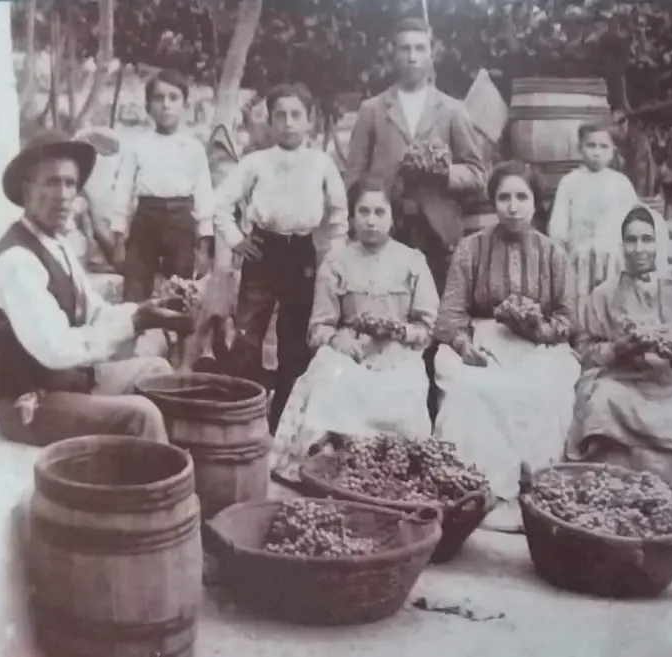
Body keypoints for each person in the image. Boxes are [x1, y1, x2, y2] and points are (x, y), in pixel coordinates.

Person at [0, 129, 184, 446]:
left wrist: (145, 309)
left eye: (70, 183)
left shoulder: (57, 245)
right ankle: (157, 493)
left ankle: (165, 469)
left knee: (157, 372)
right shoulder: (17, 260)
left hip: (65, 383)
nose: (63, 194)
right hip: (29, 401)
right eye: (51, 182)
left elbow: (96, 313)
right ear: (27, 190)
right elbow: (57, 349)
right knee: (141, 414)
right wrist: (136, 323)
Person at [565, 206, 672, 562]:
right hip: (622, 379)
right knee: (601, 402)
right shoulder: (602, 295)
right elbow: (584, 350)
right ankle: (615, 523)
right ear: (621, 246)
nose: (638, 248)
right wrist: (618, 348)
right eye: (631, 240)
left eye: (646, 239)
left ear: (657, 245)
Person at [432, 161, 581, 528]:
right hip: (484, 342)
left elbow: (567, 317)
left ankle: (532, 493)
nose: (512, 206)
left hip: (538, 347)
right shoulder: (472, 248)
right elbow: (450, 314)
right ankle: (478, 490)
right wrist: (466, 347)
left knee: (542, 391)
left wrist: (539, 329)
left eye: (521, 197)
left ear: (535, 203)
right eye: (504, 198)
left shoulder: (553, 254)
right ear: (493, 202)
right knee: (472, 390)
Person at [270, 177, 440, 482]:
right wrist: (337, 339)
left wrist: (401, 333)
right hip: (351, 351)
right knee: (327, 373)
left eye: (379, 212)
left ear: (393, 217)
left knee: (405, 387)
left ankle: (393, 468)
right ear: (351, 217)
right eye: (363, 212)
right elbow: (318, 327)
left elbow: (428, 327)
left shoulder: (413, 262)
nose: (371, 221)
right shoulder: (336, 262)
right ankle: (327, 459)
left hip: (399, 353)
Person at [212, 82, 349, 433]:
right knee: (246, 337)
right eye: (280, 116)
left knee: (294, 342)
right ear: (270, 122)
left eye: (296, 115)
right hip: (262, 252)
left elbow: (338, 216)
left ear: (310, 120)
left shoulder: (322, 163)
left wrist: (332, 260)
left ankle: (282, 423)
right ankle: (244, 416)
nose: (288, 123)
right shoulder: (256, 163)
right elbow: (221, 205)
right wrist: (237, 240)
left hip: (301, 256)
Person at [345, 17, 486, 292]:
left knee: (435, 304)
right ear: (393, 54)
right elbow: (354, 176)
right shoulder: (372, 110)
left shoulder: (451, 110)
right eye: (405, 49)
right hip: (386, 225)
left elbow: (477, 172)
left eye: (420, 49)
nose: (412, 57)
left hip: (437, 230)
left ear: (432, 55)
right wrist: (356, 223)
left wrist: (444, 171)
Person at [547, 120, 669, 328]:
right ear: (580, 149)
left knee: (614, 301)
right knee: (584, 305)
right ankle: (584, 332)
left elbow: (635, 214)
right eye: (591, 145)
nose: (597, 152)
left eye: (603, 147)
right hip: (582, 257)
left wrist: (655, 216)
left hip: (614, 257)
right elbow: (559, 222)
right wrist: (559, 245)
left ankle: (616, 329)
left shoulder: (620, 182)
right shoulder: (570, 182)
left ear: (613, 152)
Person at [111, 69, 214, 302]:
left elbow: (204, 196)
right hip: (145, 220)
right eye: (158, 98)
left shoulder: (194, 148)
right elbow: (123, 192)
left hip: (181, 223)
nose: (166, 105)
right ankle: (131, 333)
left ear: (185, 105)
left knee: (181, 292)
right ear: (148, 107)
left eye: (173, 98)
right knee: (135, 290)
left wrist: (205, 246)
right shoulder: (137, 145)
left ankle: (179, 336)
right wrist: (119, 240)